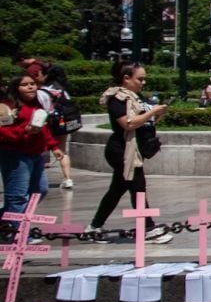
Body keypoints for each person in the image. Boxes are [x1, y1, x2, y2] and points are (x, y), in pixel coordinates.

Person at [87, 62, 174, 243]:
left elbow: (142, 121)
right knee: (138, 187)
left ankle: (94, 226)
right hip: (123, 150)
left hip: (134, 148)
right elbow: (128, 123)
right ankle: (148, 228)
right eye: (139, 79)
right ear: (126, 79)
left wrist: (157, 113)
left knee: (117, 189)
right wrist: (152, 113)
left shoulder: (135, 96)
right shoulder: (118, 98)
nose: (143, 82)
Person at [1, 74, 55, 242]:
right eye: (25, 85)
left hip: (35, 154)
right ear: (16, 88)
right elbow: (3, 133)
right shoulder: (7, 107)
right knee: (17, 196)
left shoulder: (36, 106)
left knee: (40, 189)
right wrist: (24, 130)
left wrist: (53, 145)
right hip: (15, 155)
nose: (31, 87)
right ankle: (18, 233)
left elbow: (43, 129)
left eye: (33, 84)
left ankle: (7, 220)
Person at [37, 62, 78, 190]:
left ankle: (38, 179)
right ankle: (67, 178)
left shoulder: (44, 90)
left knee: (41, 150)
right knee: (62, 150)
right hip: (63, 122)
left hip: (50, 123)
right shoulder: (63, 88)